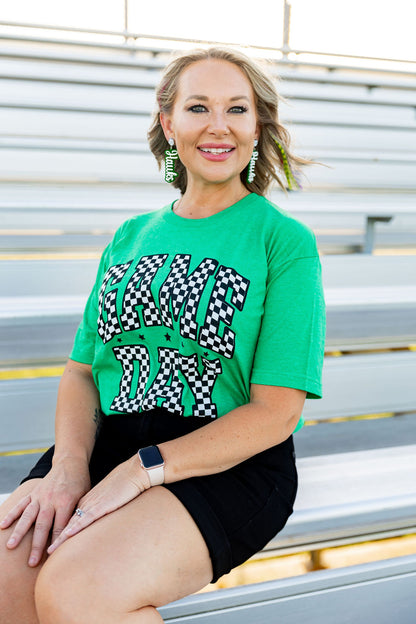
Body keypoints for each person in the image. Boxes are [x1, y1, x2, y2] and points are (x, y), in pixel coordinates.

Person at [0, 46, 325, 624]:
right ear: (167, 121)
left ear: (258, 126)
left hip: (227, 462)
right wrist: (69, 469)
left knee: (79, 591)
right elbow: (81, 371)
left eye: (237, 109)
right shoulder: (130, 235)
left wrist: (142, 468)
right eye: (198, 107)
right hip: (111, 441)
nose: (218, 125)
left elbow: (276, 413)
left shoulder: (284, 242)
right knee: (6, 574)